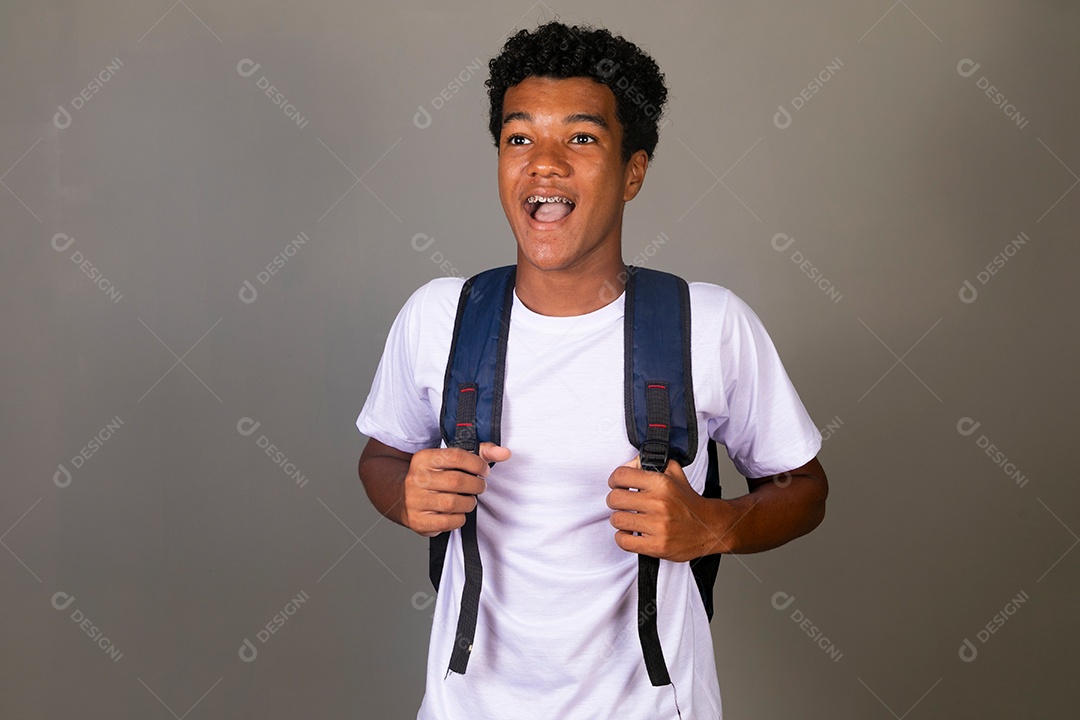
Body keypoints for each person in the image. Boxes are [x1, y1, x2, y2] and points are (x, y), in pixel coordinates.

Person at [356, 21, 828, 720]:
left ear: (633, 171)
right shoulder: (440, 318)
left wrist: (713, 526)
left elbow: (805, 488)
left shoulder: (710, 325)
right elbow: (381, 457)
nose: (543, 163)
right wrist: (405, 495)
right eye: (519, 138)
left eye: (580, 138)